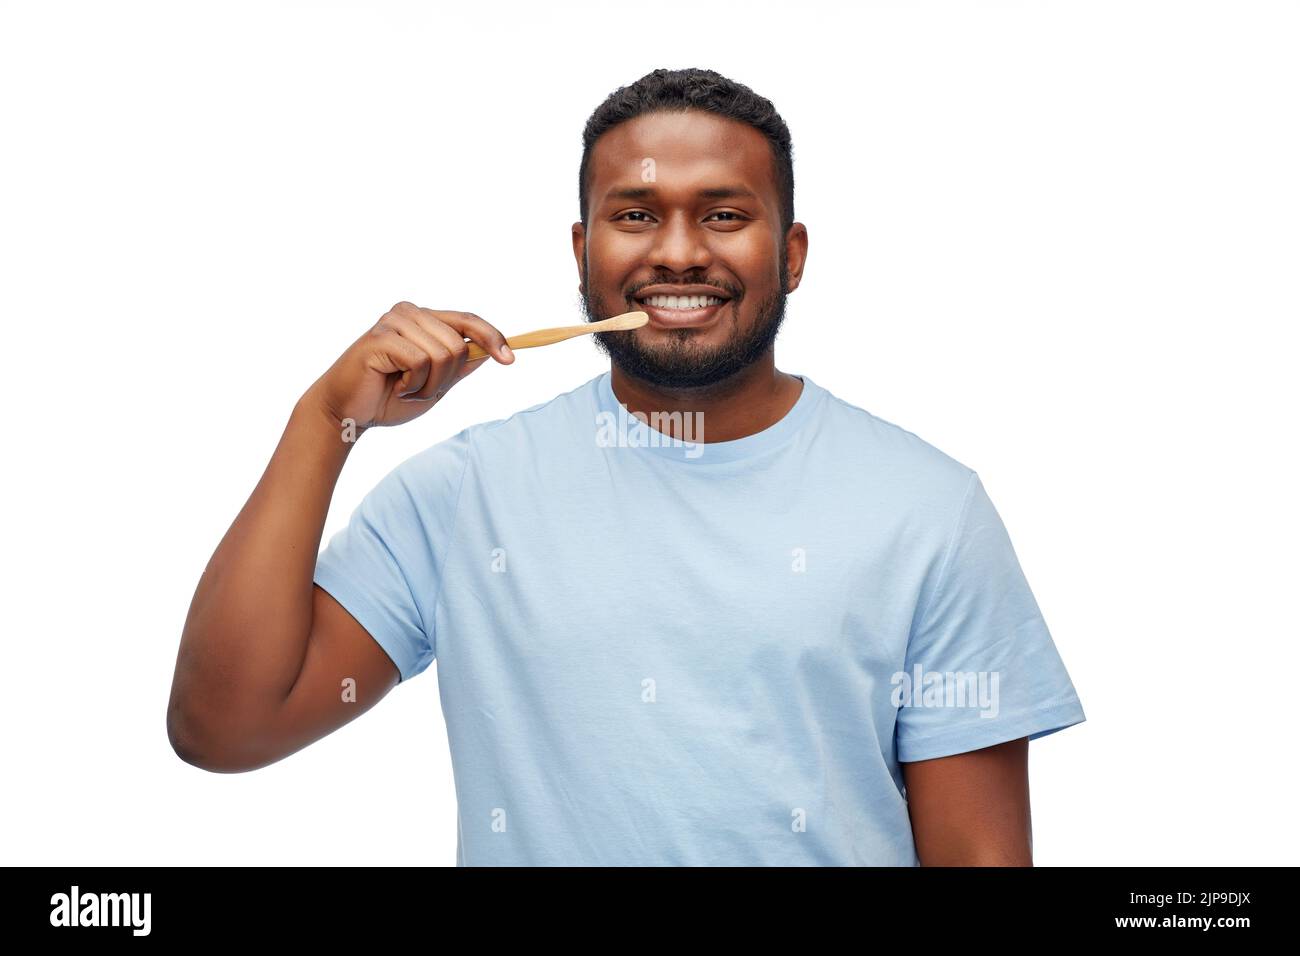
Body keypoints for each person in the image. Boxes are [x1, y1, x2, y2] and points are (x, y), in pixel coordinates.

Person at [168, 67, 1085, 866]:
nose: (680, 252)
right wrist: (325, 421)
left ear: (791, 256)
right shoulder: (464, 495)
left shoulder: (927, 509)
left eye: (725, 216)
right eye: (636, 216)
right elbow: (224, 728)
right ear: (583, 252)